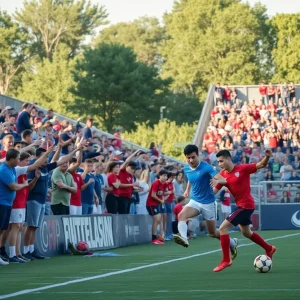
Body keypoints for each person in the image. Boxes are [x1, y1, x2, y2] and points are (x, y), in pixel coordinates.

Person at [212, 149, 277, 272]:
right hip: (242, 206)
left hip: (246, 205)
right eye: (218, 162)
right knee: (246, 233)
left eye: (221, 161)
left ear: (228, 159)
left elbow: (261, 165)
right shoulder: (222, 175)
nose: (219, 164)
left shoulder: (242, 168)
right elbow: (213, 192)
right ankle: (269, 248)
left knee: (223, 228)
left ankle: (226, 260)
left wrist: (267, 157)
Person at [173, 145, 238, 260]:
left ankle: (232, 242)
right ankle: (184, 238)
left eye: (193, 157)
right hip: (195, 201)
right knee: (181, 215)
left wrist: (216, 180)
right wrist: (187, 190)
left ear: (198, 155)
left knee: (213, 233)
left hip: (208, 203)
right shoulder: (186, 168)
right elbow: (190, 179)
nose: (191, 160)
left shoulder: (206, 167)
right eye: (188, 158)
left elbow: (223, 180)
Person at [0, 149, 29, 265]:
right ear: (11, 159)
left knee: (2, 229)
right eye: (17, 159)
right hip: (2, 203)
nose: (18, 161)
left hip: (7, 203)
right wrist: (24, 185)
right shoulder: (4, 170)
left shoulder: (11, 169)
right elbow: (13, 186)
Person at [146, 169, 168, 245]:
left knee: (159, 219)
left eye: (166, 176)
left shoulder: (164, 184)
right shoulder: (156, 183)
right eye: (164, 175)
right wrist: (161, 200)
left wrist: (163, 198)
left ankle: (158, 236)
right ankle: (154, 238)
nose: (166, 177)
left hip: (157, 204)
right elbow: (153, 195)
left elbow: (162, 193)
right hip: (151, 204)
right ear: (160, 176)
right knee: (157, 219)